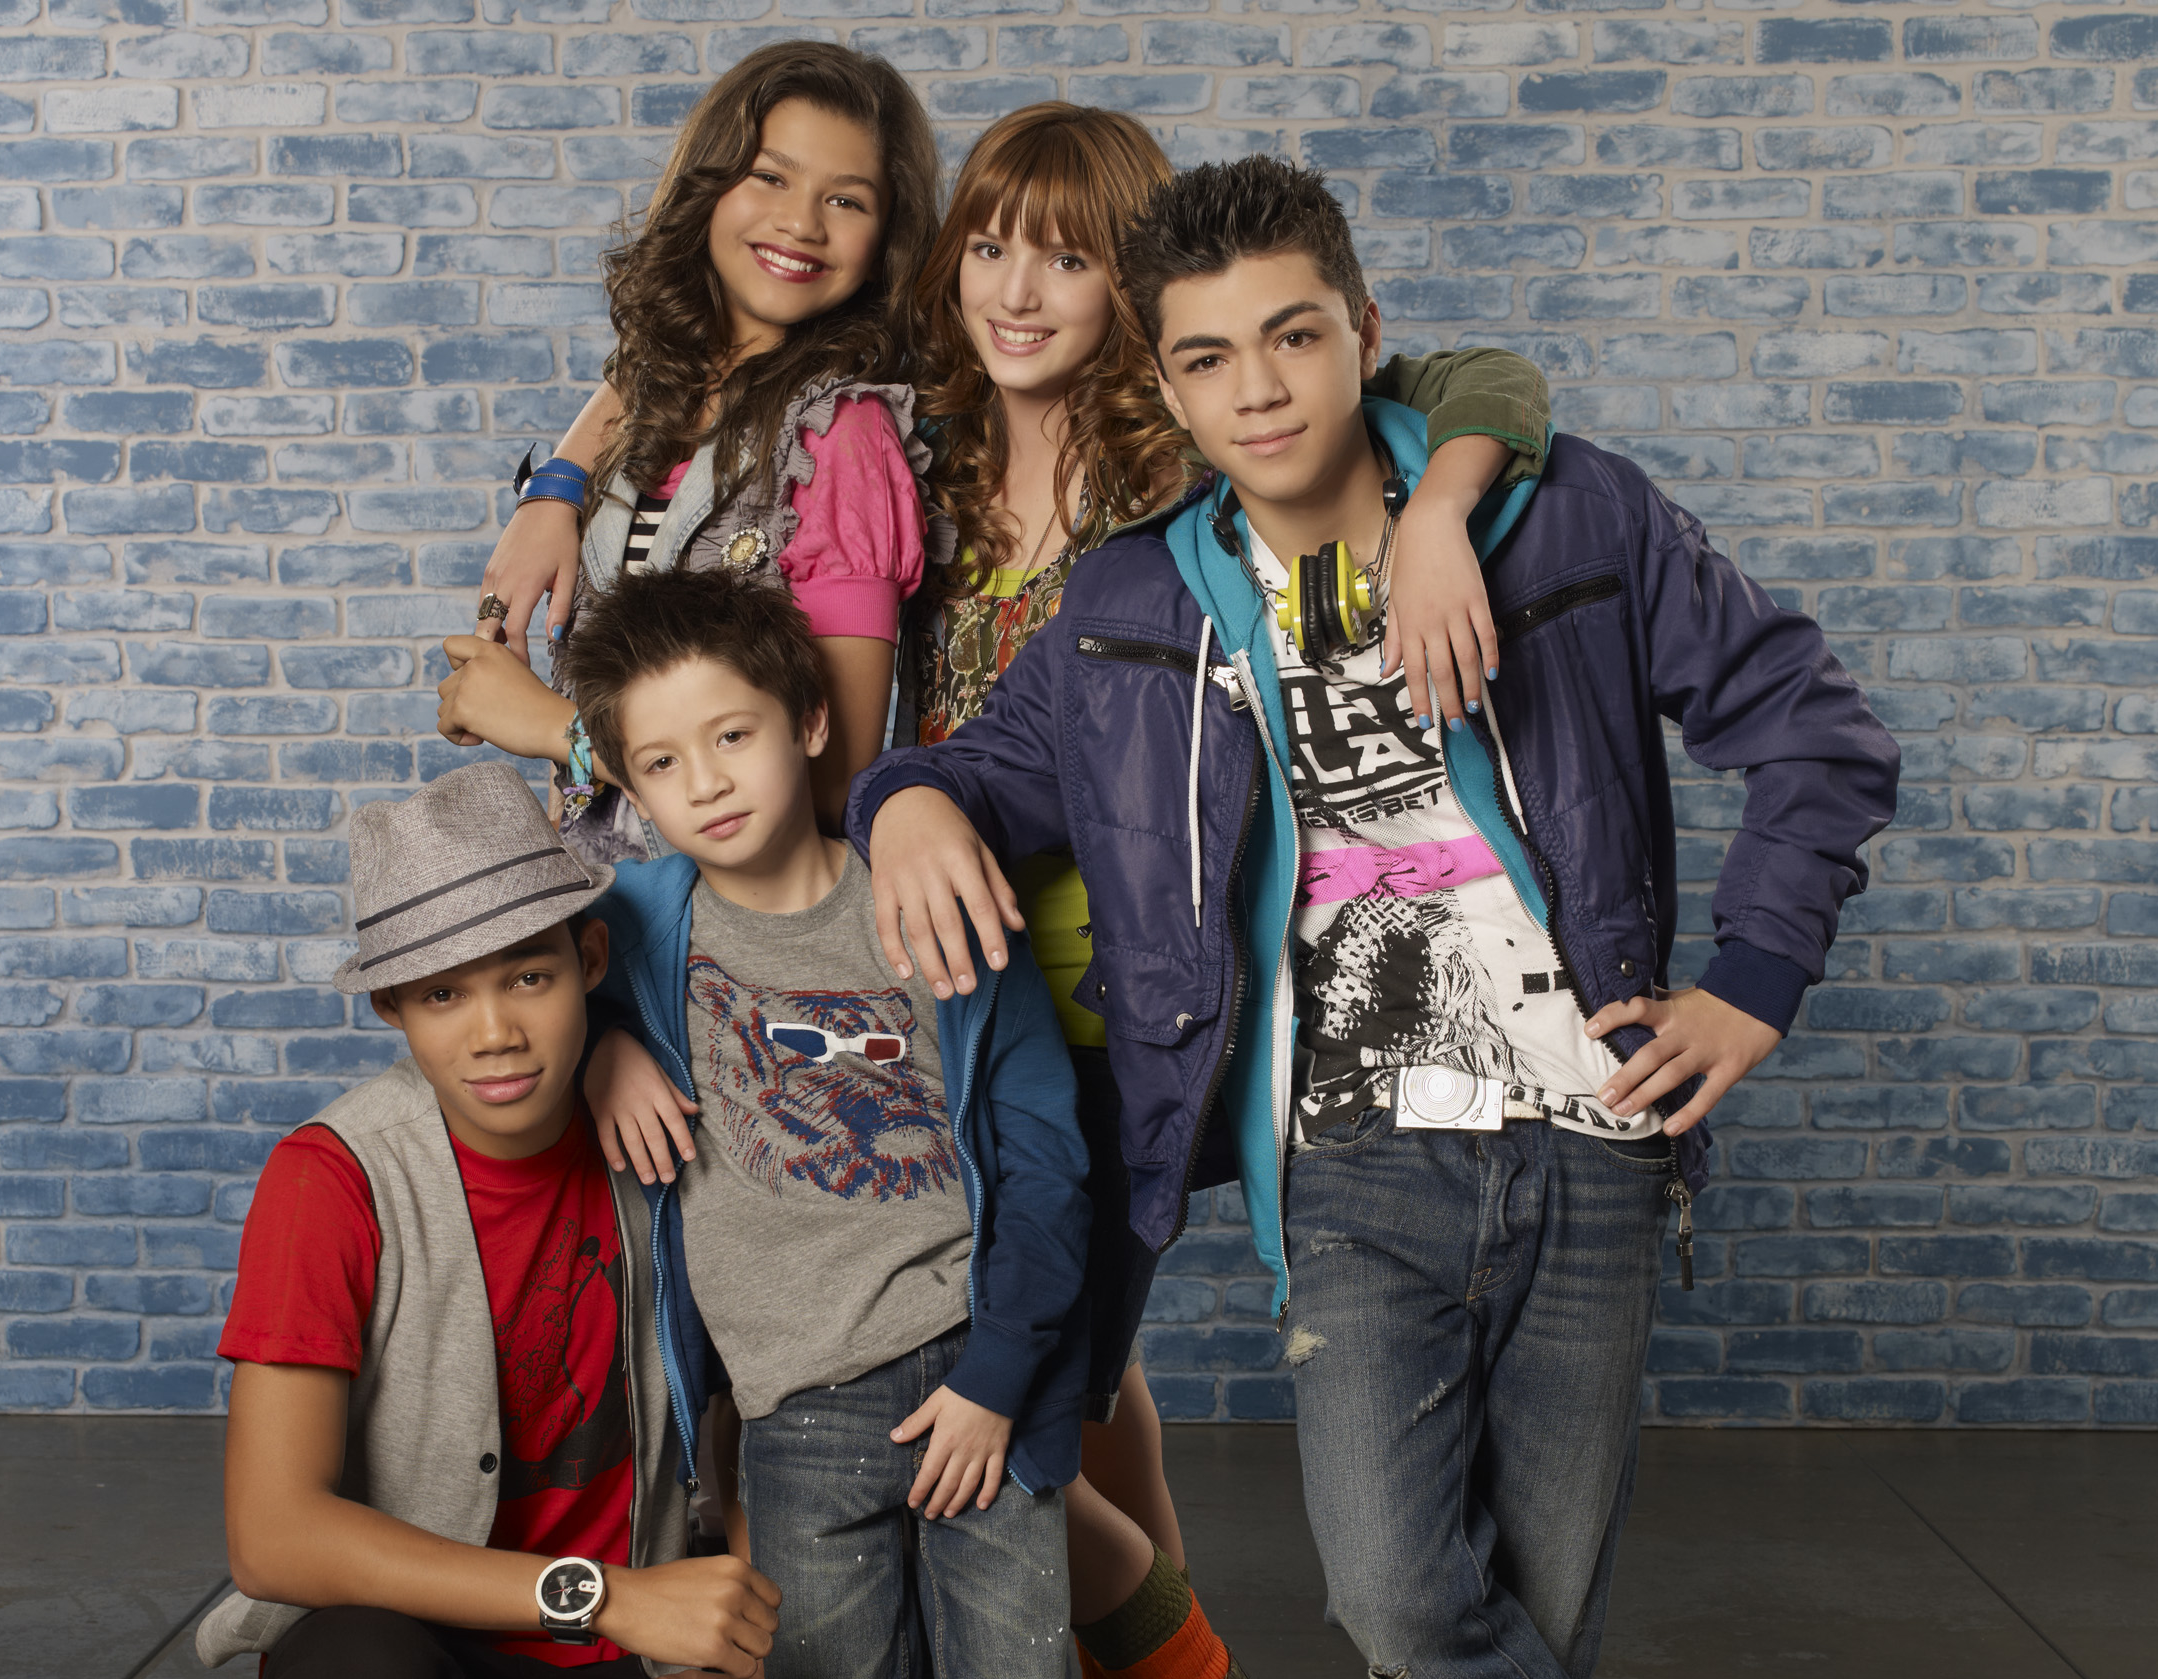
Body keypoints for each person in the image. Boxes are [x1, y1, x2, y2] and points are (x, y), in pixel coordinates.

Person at [849, 156, 1901, 1679]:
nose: (1259, 390)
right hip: (1348, 1151)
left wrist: (1752, 978)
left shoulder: (1563, 515)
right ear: (1167, 384)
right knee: (1400, 1600)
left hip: (1599, 1129)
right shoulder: (1134, 604)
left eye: (1294, 336)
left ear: (1365, 331)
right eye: (1209, 357)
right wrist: (906, 801)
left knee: (1544, 1617)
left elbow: (1816, 730)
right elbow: (981, 769)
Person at [915, 104, 1561, 1679]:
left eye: (1068, 258)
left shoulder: (1185, 464)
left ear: (1140, 310)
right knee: (1072, 1374)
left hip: (1114, 997)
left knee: (1027, 1384)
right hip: (947, 976)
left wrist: (1435, 514)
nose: (1017, 291)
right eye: (987, 246)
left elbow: (1480, 382)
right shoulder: (925, 459)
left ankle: (1174, 1652)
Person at [553, 565, 1092, 1678]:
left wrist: (1001, 1373)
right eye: (661, 762)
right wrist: (601, 1048)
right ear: (628, 786)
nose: (706, 782)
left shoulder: (932, 893)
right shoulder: (632, 928)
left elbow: (1046, 1153)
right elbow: (521, 995)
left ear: (807, 722)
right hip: (795, 1402)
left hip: (978, 1360)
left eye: (731, 735)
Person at [198, 763, 781, 1678]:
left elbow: (772, 1372)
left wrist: (745, 1586)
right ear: (391, 1005)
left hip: (639, 1642)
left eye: (530, 976)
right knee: (355, 1664)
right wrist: (602, 1595)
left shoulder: (664, 1131)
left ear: (591, 961)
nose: (495, 1033)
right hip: (425, 1638)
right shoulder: (333, 1177)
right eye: (442, 994)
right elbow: (273, 1535)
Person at [446, 39, 947, 847]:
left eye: (847, 200)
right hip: (605, 896)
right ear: (708, 184)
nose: (802, 222)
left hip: (729, 920)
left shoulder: (843, 439)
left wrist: (558, 730)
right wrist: (554, 488)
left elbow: (834, 784)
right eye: (771, 177)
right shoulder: (651, 403)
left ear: (886, 237)